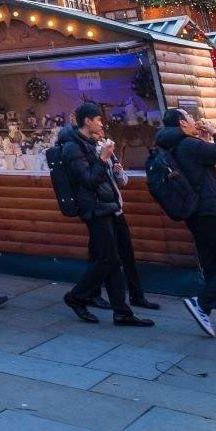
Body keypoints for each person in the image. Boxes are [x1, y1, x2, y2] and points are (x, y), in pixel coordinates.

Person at [154, 108, 216, 337]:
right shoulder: (188, 144)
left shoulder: (171, 145)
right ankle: (202, 304)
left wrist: (205, 142)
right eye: (189, 118)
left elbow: (200, 168)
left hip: (194, 213)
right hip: (210, 210)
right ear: (181, 123)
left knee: (212, 265)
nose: (193, 121)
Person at [56, 103, 155, 327]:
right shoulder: (73, 147)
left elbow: (102, 176)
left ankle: (121, 311)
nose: (102, 123)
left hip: (109, 206)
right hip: (95, 208)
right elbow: (88, 180)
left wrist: (113, 165)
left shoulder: (91, 143)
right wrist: (102, 159)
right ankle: (77, 296)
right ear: (88, 121)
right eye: (98, 119)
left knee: (111, 259)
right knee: (107, 259)